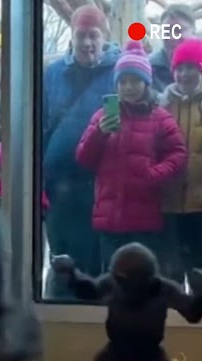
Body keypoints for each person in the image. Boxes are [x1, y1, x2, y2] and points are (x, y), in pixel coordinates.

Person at [75, 41, 187, 275]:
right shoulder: (102, 116)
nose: (128, 87)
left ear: (146, 83)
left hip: (146, 221)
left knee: (144, 282)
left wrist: (154, 174)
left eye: (135, 81)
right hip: (110, 220)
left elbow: (178, 154)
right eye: (123, 81)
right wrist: (99, 133)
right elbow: (84, 158)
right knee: (113, 281)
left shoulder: (161, 118)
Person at [41, 6, 120, 297]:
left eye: (93, 36)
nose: (87, 43)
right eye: (81, 35)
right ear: (72, 37)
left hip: (102, 185)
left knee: (99, 263)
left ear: (104, 36)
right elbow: (40, 126)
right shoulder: (52, 75)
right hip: (58, 186)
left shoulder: (120, 71)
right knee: (62, 262)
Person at [160, 36, 202, 284]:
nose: (184, 74)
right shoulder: (162, 104)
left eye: (191, 67)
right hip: (168, 204)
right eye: (180, 68)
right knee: (171, 274)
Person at [149, 4, 197, 91]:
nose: (172, 38)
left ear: (193, 31)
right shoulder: (149, 67)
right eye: (167, 32)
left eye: (178, 31)